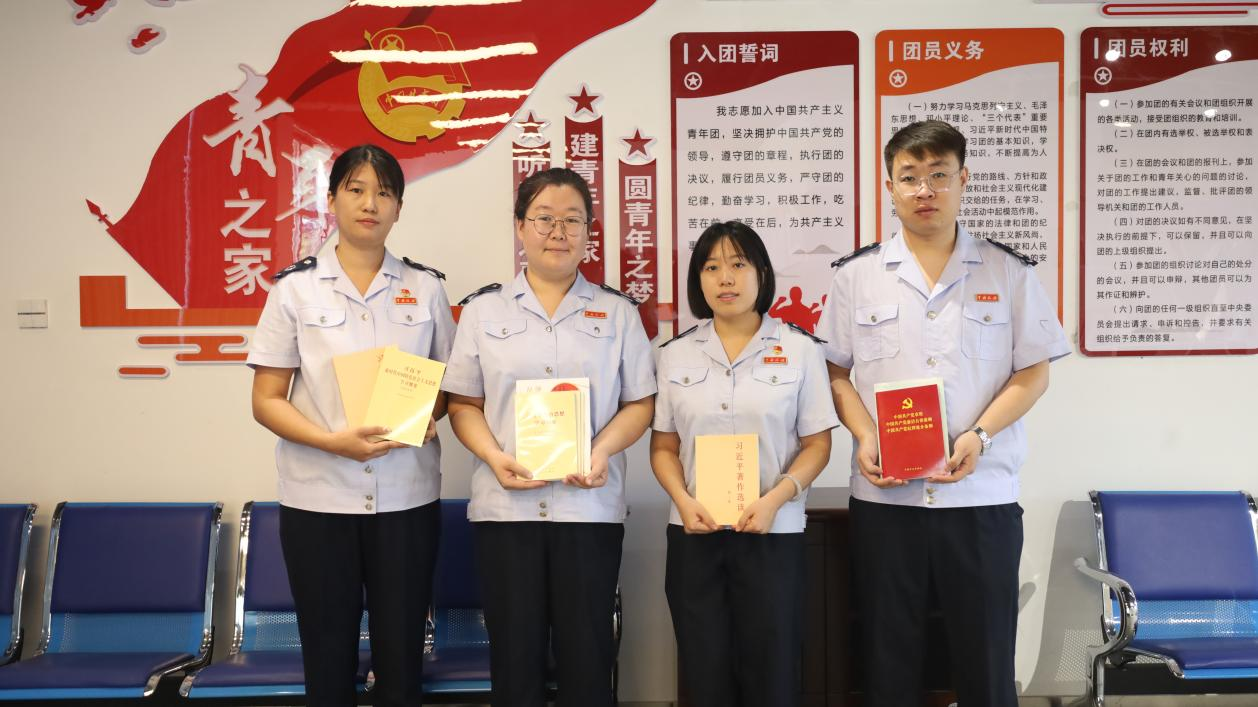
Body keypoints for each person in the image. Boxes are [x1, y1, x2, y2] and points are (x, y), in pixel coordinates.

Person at [814, 120, 1070, 706]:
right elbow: (834, 372)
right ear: (890, 186)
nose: (924, 189)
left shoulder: (1009, 271)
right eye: (910, 177)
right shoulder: (856, 276)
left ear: (963, 179)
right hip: (887, 500)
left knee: (986, 657)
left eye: (938, 175)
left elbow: (1033, 372)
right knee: (887, 656)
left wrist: (980, 434)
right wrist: (864, 435)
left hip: (981, 497)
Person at [247, 144, 455, 707]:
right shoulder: (294, 289)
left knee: (403, 656)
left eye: (384, 193)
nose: (370, 204)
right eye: (357, 190)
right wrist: (332, 442)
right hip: (319, 500)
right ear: (332, 199)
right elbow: (266, 399)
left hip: (407, 498)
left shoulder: (427, 288)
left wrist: (429, 414)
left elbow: (449, 386)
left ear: (399, 207)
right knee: (327, 656)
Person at [441, 167, 656, 707]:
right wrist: (494, 456)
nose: (558, 232)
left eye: (572, 221)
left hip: (589, 509)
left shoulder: (618, 312)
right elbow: (463, 404)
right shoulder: (483, 311)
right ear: (520, 226)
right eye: (544, 219)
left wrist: (601, 450)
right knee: (515, 663)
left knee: (588, 661)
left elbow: (640, 404)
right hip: (506, 511)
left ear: (588, 232)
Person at [651, 221, 838, 707]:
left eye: (738, 264)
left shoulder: (800, 350)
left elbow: (818, 445)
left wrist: (777, 498)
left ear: (762, 274)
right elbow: (663, 448)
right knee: (704, 670)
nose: (725, 278)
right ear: (698, 280)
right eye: (711, 267)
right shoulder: (674, 355)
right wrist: (682, 500)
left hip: (773, 532)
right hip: (696, 532)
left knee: (772, 668)